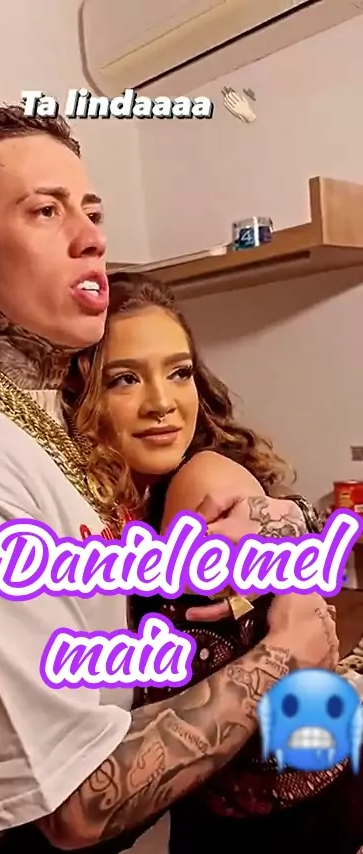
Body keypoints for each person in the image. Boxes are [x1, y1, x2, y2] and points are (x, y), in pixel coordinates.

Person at [0, 105, 338, 854]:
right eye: (45, 211)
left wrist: (280, 525)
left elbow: (202, 484)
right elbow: (71, 808)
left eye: (91, 211)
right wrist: (285, 655)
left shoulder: (57, 419)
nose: (91, 237)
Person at [65, 272, 363, 853]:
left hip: (288, 825)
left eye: (179, 372)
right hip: (220, 817)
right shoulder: (125, 499)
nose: (162, 403)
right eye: (125, 378)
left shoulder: (203, 486)